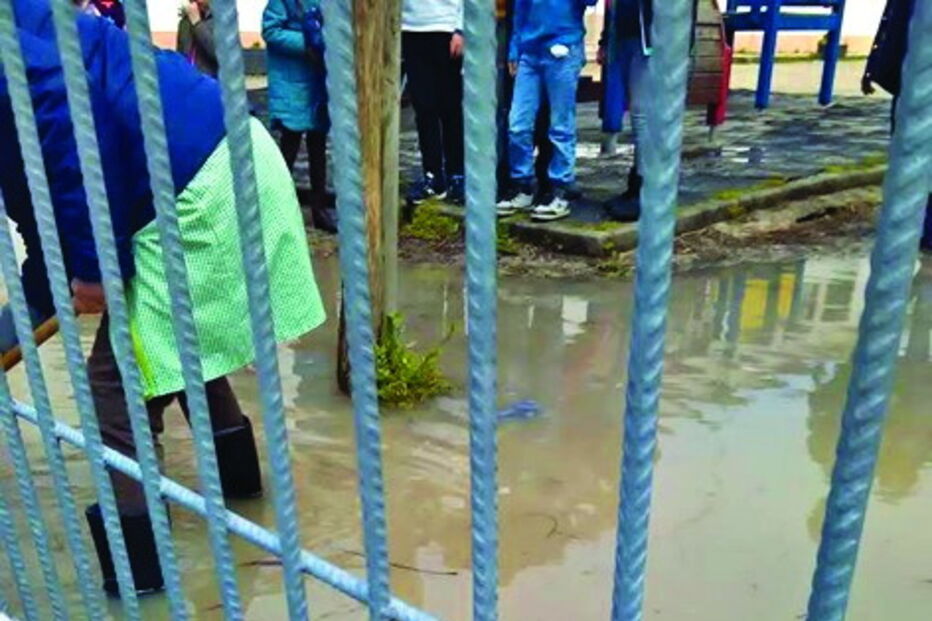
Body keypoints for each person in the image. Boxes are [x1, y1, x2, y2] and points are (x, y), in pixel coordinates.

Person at [1, 0, 326, 596]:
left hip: (199, 183)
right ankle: (245, 501)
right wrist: (34, 300)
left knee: (116, 386)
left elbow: (72, 139)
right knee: (180, 345)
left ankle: (141, 585)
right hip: (233, 150)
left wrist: (95, 268)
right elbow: (31, 194)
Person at [496, 0, 598, 222]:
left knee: (561, 125)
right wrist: (514, 49)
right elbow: (520, 10)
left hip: (564, 47)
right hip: (530, 52)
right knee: (518, 125)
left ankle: (561, 189)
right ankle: (523, 185)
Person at [862, 0, 932, 251]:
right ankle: (918, 229)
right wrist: (874, 65)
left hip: (911, 78)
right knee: (907, 156)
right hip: (909, 78)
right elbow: (893, 19)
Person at [262, 0, 336, 233]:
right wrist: (308, 42)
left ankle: (319, 209)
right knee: (289, 146)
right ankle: (274, 208)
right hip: (291, 80)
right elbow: (271, 31)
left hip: (317, 79)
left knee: (318, 147)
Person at [402, 0, 466, 206]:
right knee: (424, 108)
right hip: (410, 28)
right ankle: (432, 175)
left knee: (451, 108)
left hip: (445, 27)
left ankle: (456, 174)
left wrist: (460, 29)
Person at [496, 0, 554, 205]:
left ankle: (548, 184)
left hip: (558, 41)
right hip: (523, 39)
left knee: (550, 119)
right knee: (516, 120)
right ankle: (520, 182)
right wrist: (514, 48)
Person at [600, 0, 651, 222]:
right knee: (637, 115)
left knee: (642, 116)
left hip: (649, 43)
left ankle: (644, 189)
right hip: (623, 38)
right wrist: (605, 40)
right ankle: (635, 185)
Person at [176, 0, 217, 77]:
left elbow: (217, 53)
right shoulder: (184, 22)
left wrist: (197, 24)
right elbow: (180, 55)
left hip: (209, 79)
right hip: (187, 79)